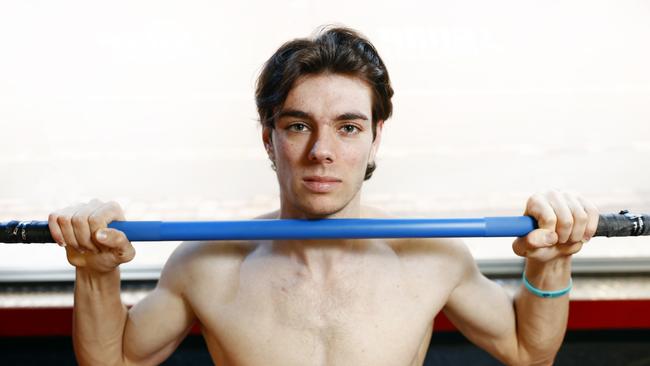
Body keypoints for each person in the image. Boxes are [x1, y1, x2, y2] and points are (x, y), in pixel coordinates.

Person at [49, 26, 599, 366]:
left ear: (377, 136)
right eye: (298, 126)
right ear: (268, 137)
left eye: (349, 127)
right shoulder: (207, 266)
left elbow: (531, 353)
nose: (322, 152)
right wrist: (95, 272)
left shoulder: (431, 259)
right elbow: (113, 361)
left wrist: (551, 263)